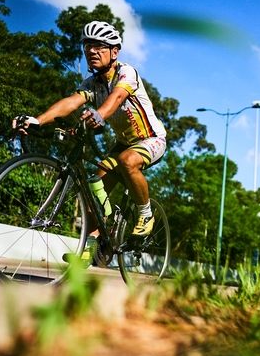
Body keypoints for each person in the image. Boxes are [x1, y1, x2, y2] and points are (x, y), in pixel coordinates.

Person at [13, 21, 167, 264]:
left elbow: (117, 96)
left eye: (99, 46)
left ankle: (146, 215)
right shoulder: (92, 83)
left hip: (151, 138)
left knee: (128, 160)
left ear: (114, 51)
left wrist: (100, 114)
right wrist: (37, 121)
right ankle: (95, 245)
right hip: (123, 142)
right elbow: (72, 102)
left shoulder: (127, 73)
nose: (91, 51)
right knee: (94, 190)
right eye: (87, 46)